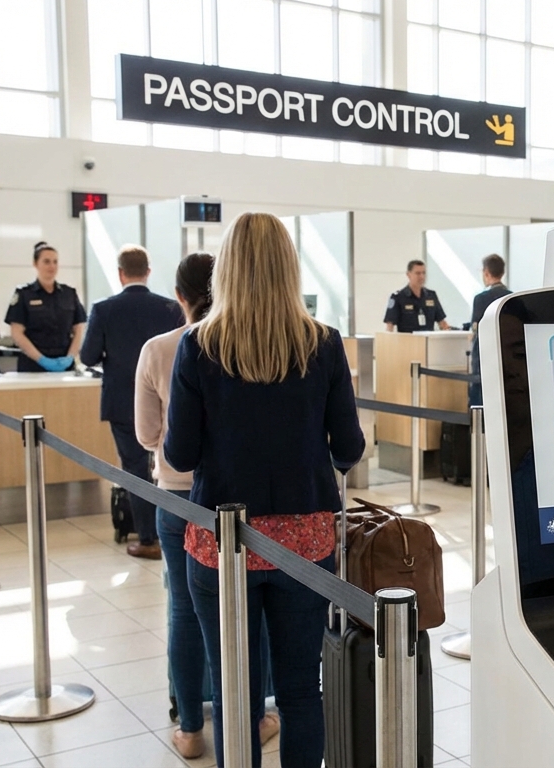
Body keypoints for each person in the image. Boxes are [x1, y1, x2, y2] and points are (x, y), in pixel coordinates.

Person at [166, 212, 365, 768]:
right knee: (302, 690)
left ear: (225, 270)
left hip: (223, 542)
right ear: (288, 267)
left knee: (236, 693)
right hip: (304, 542)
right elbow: (350, 446)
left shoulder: (199, 345)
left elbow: (179, 456)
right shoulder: (322, 344)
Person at [134, 252, 279, 759]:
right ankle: (257, 715)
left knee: (183, 609)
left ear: (178, 296)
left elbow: (148, 434)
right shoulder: (248, 342)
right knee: (254, 611)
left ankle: (192, 727)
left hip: (177, 498)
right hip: (241, 496)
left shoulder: (158, 349)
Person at [80, 246, 185, 560]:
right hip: (169, 398)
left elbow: (87, 356)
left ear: (120, 273)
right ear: (148, 272)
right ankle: (175, 530)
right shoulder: (169, 307)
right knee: (168, 466)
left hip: (123, 400)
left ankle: (149, 538)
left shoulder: (103, 309)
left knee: (135, 469)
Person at [4, 241, 87, 372]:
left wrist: (70, 357)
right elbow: (17, 333)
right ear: (35, 263)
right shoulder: (24, 294)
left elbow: (79, 329)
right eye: (47, 261)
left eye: (55, 262)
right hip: (33, 365)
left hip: (65, 364)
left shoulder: (69, 293)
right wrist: (41, 359)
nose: (52, 266)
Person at [469, 254, 511, 406]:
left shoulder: (481, 298)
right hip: (506, 355)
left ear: (486, 272)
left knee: (480, 397)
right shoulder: (511, 297)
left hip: (484, 356)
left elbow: (476, 329)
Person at [384, 259, 450, 332]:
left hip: (428, 341)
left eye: (423, 273)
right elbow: (390, 326)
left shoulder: (431, 295)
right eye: (418, 273)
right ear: (408, 275)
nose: (421, 277)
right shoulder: (398, 297)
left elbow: (442, 323)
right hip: (408, 341)